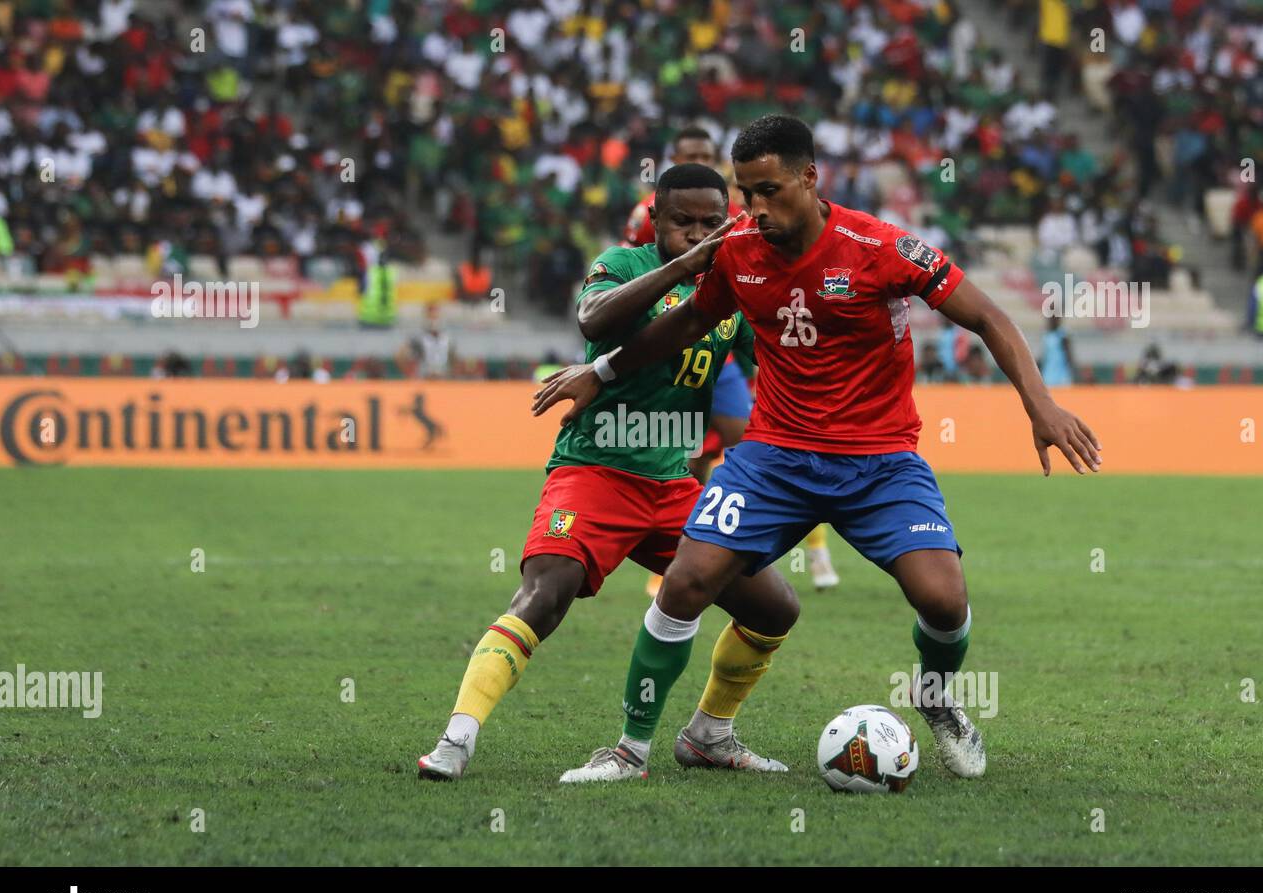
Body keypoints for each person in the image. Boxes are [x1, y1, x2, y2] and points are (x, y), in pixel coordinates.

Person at [535, 115, 1103, 783]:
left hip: (881, 460)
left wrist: (1040, 405)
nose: (756, 210)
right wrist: (599, 374)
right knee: (686, 582)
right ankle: (631, 750)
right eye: (747, 193)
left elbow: (989, 316)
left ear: (810, 177)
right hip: (775, 457)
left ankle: (935, 695)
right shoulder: (740, 247)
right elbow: (688, 320)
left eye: (770, 191)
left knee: (944, 602)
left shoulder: (880, 246)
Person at [417, 163, 800, 782]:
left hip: (675, 485)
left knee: (774, 607)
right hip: (594, 471)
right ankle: (457, 739)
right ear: (657, 221)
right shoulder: (621, 266)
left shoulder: (732, 287)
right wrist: (685, 265)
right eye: (682, 222)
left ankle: (709, 734)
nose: (696, 233)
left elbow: (776, 351)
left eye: (711, 222)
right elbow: (593, 321)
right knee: (546, 594)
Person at [630, 125, 840, 594]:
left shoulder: (745, 212)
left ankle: (817, 551)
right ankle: (669, 556)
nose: (704, 158)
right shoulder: (653, 212)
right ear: (674, 155)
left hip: (726, 344)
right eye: (692, 153)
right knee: (685, 452)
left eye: (708, 152)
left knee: (750, 442)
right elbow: (636, 266)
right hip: (673, 342)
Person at [1039, 313, 1074, 386]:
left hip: (1061, 373)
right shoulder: (1047, 335)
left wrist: (1070, 371)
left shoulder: (1063, 335)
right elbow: (1044, 355)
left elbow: (1069, 356)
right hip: (1048, 373)